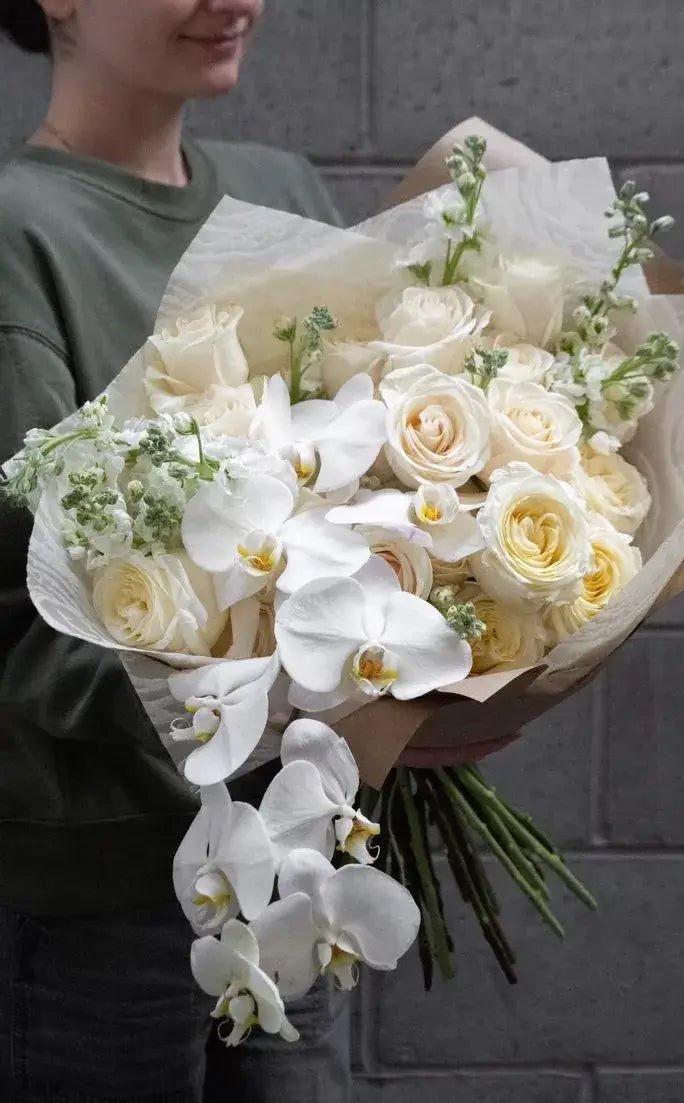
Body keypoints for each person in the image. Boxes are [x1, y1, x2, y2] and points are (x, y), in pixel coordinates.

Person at [0, 2, 351, 1100]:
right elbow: (20, 620)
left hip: (298, 869)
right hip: (104, 897)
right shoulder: (19, 234)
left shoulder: (283, 193)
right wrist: (286, 695)